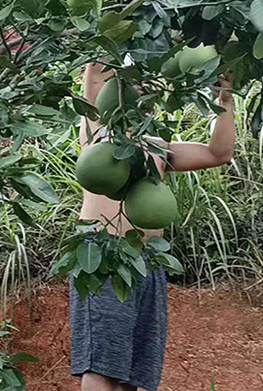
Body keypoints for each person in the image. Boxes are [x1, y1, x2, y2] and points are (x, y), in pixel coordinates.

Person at [72, 62, 236, 391]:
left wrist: (226, 101)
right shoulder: (99, 131)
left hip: (149, 263)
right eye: (133, 82)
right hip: (103, 257)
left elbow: (219, 153)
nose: (142, 87)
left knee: (135, 373)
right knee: (101, 365)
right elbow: (95, 70)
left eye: (147, 83)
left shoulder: (156, 148)